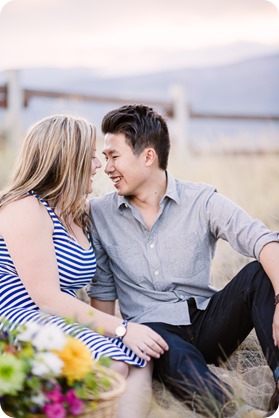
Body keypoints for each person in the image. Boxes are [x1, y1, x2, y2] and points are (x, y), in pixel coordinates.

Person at [87, 104, 279, 417]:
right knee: (165, 344)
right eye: (105, 157)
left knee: (259, 274)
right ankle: (238, 412)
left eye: (114, 156)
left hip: (208, 322)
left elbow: (264, 240)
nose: (106, 167)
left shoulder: (201, 200)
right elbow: (103, 294)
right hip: (153, 333)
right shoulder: (100, 215)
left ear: (148, 157)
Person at [0, 114, 169, 418]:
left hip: (55, 318)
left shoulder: (76, 212)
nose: (99, 166)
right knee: (113, 364)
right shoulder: (24, 208)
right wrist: (121, 328)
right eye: (92, 157)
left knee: (139, 358)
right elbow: (47, 297)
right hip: (20, 321)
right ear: (68, 159)